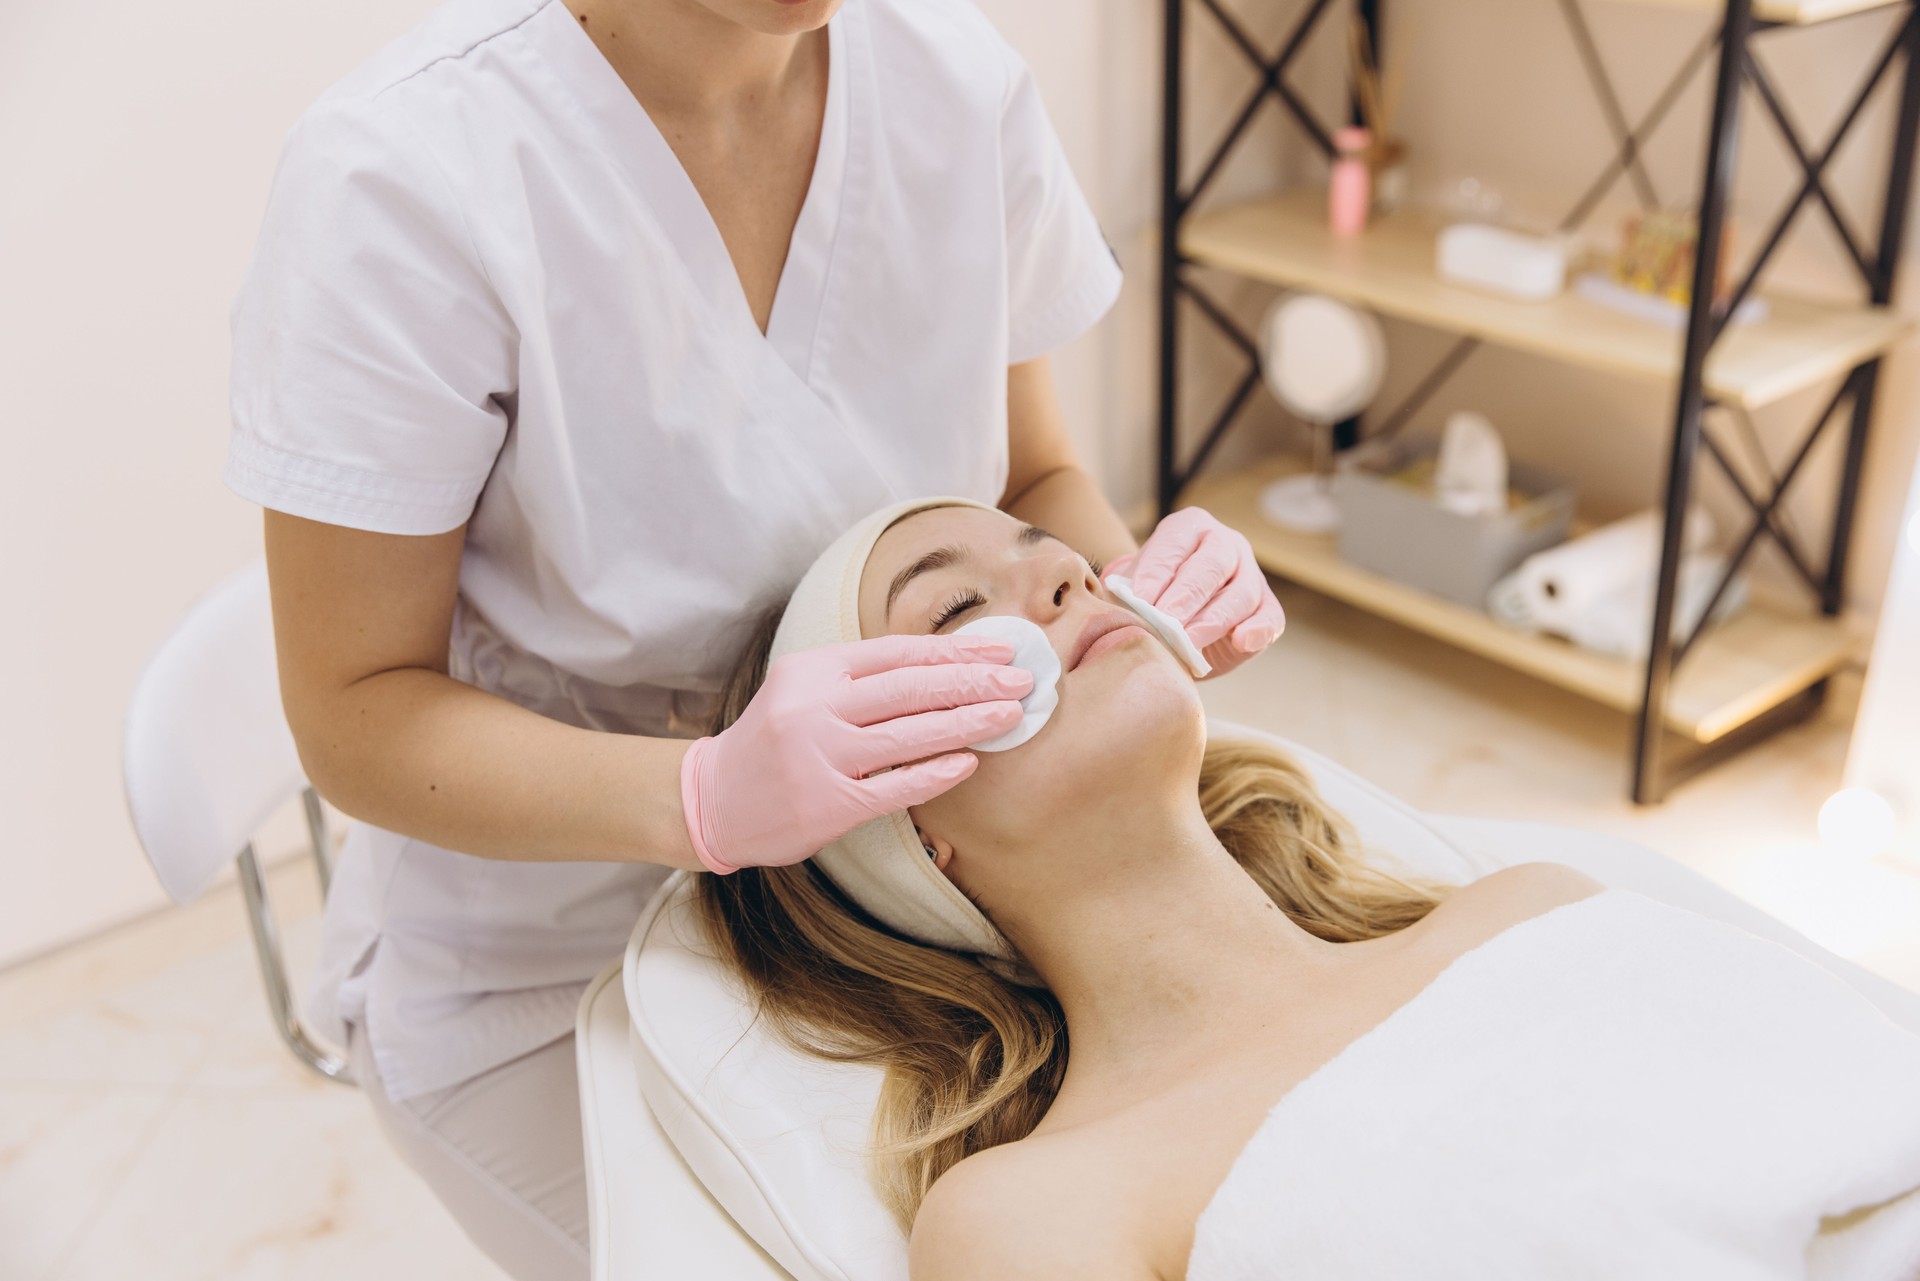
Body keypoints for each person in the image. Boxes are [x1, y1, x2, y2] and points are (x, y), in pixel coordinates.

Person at [224, 0, 1286, 1272]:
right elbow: (355, 712)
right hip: (559, 962)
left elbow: (1037, 478)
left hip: (927, 934)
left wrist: (1128, 594)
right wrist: (706, 796)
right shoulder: (405, 178)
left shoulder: (953, 84)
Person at [697, 496, 1920, 1280]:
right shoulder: (1033, 1215)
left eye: (1056, 559)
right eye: (961, 609)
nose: (1073, 578)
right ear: (908, 832)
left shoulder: (1534, 907)